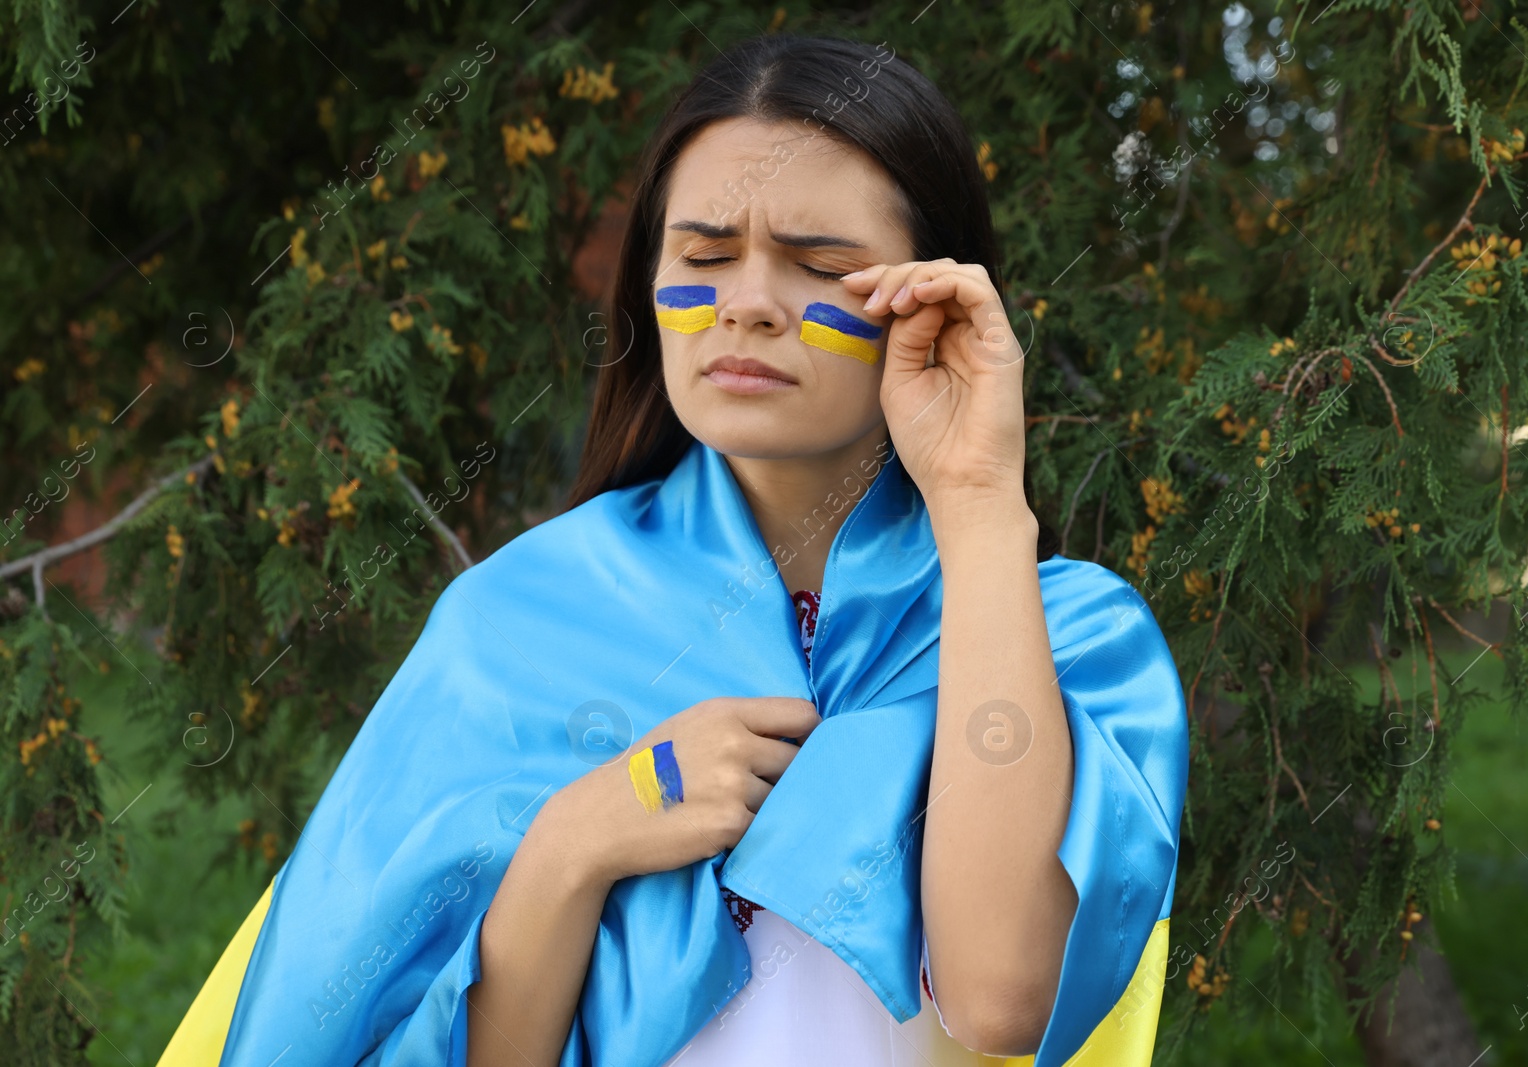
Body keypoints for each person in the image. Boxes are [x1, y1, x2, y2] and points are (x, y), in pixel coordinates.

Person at [155, 32, 1187, 1067]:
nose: (744, 301)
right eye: (701, 256)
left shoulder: (1066, 638)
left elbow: (1005, 999)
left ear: (930, 297)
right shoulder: (515, 617)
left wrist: (976, 500)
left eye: (819, 264)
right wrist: (580, 837)